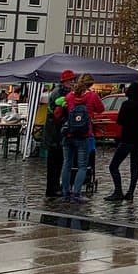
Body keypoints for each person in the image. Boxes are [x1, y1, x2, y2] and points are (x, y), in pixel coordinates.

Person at [59, 74, 103, 202]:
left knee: (67, 163)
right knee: (82, 166)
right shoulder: (92, 96)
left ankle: (65, 193)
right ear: (90, 84)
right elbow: (101, 109)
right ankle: (76, 194)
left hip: (68, 134)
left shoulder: (70, 96)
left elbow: (64, 109)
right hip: (84, 134)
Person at [105, 82, 138, 202]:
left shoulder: (126, 104)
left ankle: (118, 191)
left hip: (127, 138)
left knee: (114, 166)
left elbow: (120, 121)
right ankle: (130, 192)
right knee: (134, 167)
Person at [44, 70, 75, 198]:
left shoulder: (61, 92)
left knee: (58, 162)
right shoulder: (59, 93)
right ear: (64, 81)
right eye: (71, 80)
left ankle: (54, 187)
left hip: (56, 134)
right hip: (55, 134)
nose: (73, 83)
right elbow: (58, 115)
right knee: (54, 163)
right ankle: (52, 189)